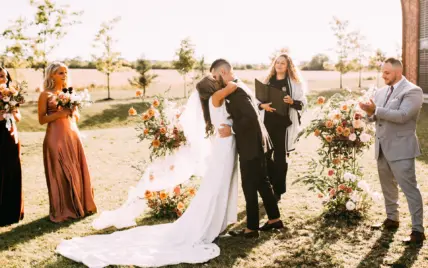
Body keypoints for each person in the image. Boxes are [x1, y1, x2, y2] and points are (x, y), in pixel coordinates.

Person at [56, 76, 242, 267]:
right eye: (215, 78)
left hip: (224, 151)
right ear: (212, 88)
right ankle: (209, 224)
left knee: (214, 189)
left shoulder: (214, 100)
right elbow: (235, 85)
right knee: (213, 190)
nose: (218, 78)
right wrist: (231, 80)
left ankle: (214, 221)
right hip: (222, 151)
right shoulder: (217, 98)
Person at [210, 58, 284, 238]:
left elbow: (250, 117)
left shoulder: (236, 92)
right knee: (262, 183)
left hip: (251, 146)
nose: (214, 80)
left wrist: (232, 129)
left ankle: (251, 228)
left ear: (223, 72)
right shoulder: (237, 86)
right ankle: (274, 219)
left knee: (249, 185)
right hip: (258, 144)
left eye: (215, 76)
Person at [359, 57, 425, 244]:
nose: (383, 75)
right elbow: (375, 116)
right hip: (381, 148)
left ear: (397, 72)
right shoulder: (380, 92)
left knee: (410, 190)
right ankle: (392, 219)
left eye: (386, 72)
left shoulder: (413, 91)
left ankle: (418, 231)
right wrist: (366, 112)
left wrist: (376, 110)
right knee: (388, 187)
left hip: (401, 148)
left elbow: (403, 116)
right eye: (382, 71)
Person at [37, 62, 97, 223]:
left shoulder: (69, 92)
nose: (64, 75)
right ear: (51, 75)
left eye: (65, 72)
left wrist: (73, 110)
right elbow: (42, 119)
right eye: (60, 73)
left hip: (72, 135)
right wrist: (60, 113)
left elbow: (75, 117)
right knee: (60, 172)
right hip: (55, 137)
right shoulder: (45, 95)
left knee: (77, 170)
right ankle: (64, 208)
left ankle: (81, 204)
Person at [258, 53, 307, 201]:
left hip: (283, 125)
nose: (279, 65)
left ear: (288, 66)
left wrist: (292, 101)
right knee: (264, 156)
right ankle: (273, 180)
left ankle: (278, 191)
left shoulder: (294, 83)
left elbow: (303, 102)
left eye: (282, 63)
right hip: (267, 124)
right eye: (277, 62)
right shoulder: (267, 81)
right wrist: (262, 105)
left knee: (280, 158)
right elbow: (257, 101)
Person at [0, 67, 24, 226]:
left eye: (4, 76)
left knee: (12, 168)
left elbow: (18, 117)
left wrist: (12, 111)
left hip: (10, 135)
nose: (2, 79)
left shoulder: (11, 94)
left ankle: (12, 211)